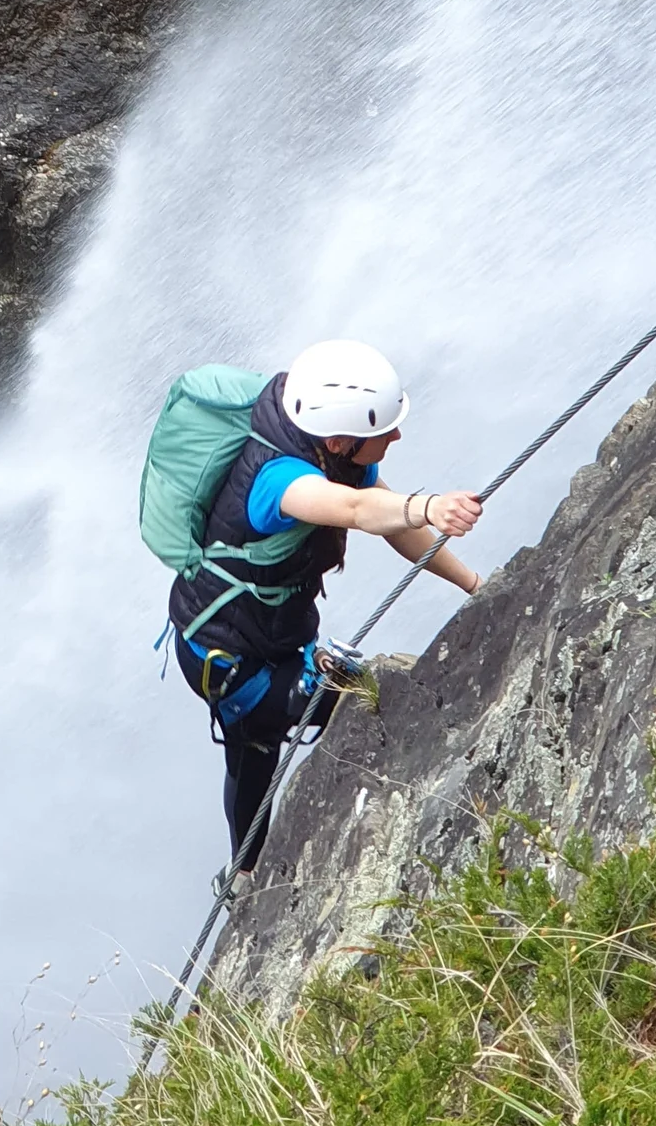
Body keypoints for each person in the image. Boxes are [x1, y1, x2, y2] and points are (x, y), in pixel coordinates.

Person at [171, 338, 483, 872]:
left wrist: (474, 584)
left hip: (275, 630)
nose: (397, 434)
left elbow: (394, 525)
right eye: (384, 430)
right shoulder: (279, 482)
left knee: (330, 712)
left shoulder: (332, 450)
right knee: (265, 746)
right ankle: (245, 875)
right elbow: (362, 510)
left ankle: (248, 869)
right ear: (339, 442)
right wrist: (429, 504)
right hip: (225, 655)